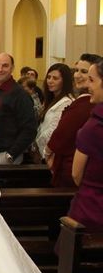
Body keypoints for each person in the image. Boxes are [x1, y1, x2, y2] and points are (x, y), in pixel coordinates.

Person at [66, 59, 103, 273]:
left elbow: (76, 174)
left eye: (92, 80)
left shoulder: (93, 127)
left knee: (84, 262)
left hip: (92, 206)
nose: (87, 85)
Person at [46, 54, 100, 187]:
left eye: (84, 72)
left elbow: (60, 136)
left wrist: (48, 154)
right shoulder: (85, 102)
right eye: (76, 70)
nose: (77, 75)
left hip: (73, 175)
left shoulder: (85, 105)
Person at [35, 63, 74, 160]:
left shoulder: (66, 103)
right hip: (43, 152)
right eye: (48, 77)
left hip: (52, 155)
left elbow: (54, 132)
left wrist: (42, 149)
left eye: (55, 78)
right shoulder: (51, 100)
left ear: (64, 81)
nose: (50, 81)